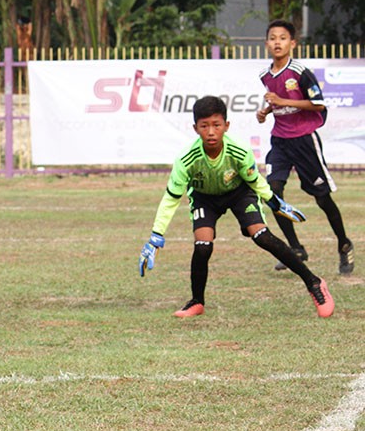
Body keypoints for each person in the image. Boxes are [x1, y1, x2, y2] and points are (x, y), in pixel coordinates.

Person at [139, 95, 333, 319]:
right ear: (195, 128)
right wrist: (156, 235)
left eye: (216, 125)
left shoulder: (239, 150)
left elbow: (255, 181)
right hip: (205, 198)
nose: (211, 132)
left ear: (226, 126)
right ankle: (197, 302)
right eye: (204, 126)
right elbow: (171, 198)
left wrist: (273, 201)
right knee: (202, 246)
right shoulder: (186, 159)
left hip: (239, 193)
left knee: (261, 236)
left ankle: (314, 282)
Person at [256, 19, 353, 274]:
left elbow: (318, 103)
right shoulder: (265, 75)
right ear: (267, 44)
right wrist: (266, 111)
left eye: (283, 38)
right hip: (280, 140)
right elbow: (277, 101)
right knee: (272, 193)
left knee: (322, 198)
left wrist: (280, 100)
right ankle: (295, 247)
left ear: (292, 43)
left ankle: (344, 244)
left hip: (304, 140)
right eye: (273, 38)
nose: (277, 42)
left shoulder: (300, 71)